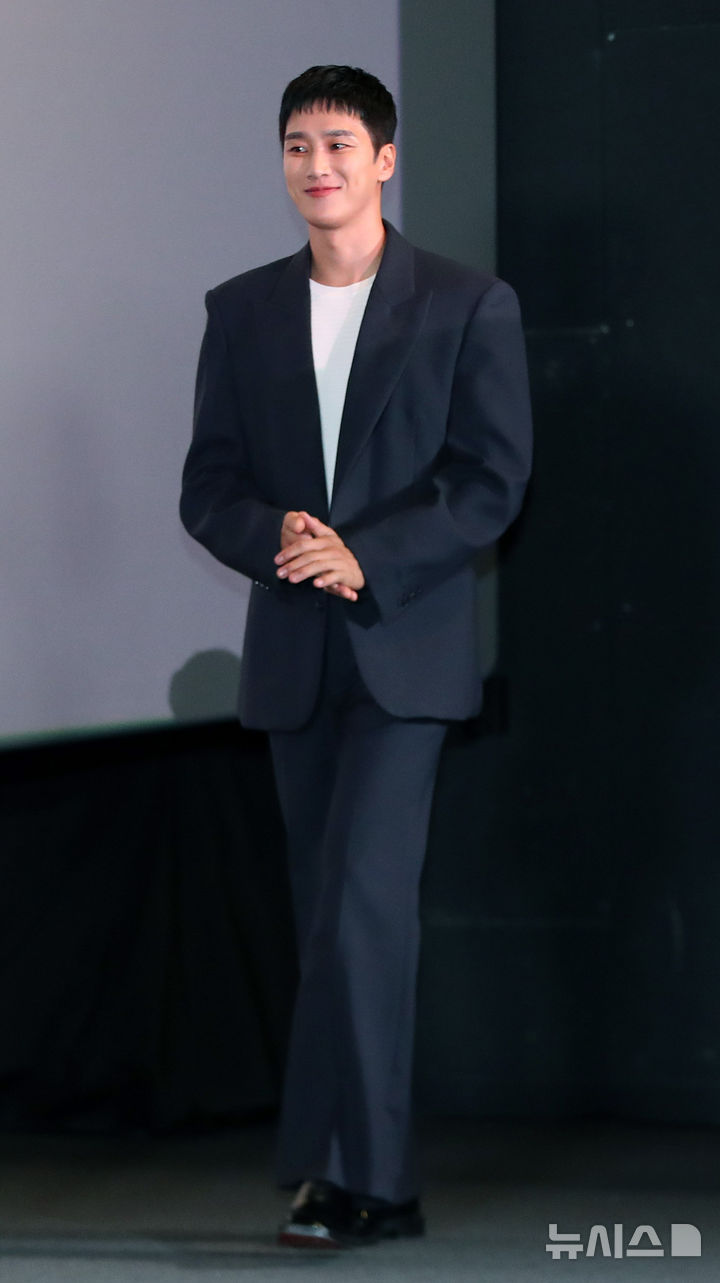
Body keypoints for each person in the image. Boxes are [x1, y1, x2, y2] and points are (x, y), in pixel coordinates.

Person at [180, 64, 532, 1248]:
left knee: (363, 910)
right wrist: (278, 538)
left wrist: (365, 555)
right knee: (324, 915)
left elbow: (492, 480)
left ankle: (364, 1177)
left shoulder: (467, 303)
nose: (316, 164)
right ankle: (343, 1167)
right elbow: (209, 486)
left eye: (338, 143)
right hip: (295, 659)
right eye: (297, 145)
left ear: (384, 159)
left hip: (403, 652)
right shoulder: (241, 309)